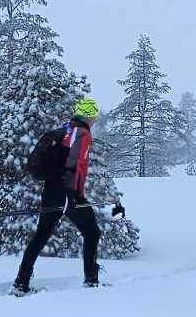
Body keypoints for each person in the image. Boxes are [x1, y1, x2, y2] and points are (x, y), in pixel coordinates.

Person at [13, 98, 125, 293]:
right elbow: (75, 165)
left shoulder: (65, 130)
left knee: (41, 236)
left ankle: (21, 283)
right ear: (89, 116)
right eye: (94, 118)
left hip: (51, 191)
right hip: (67, 192)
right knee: (92, 232)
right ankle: (91, 281)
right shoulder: (81, 133)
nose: (94, 121)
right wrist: (74, 195)